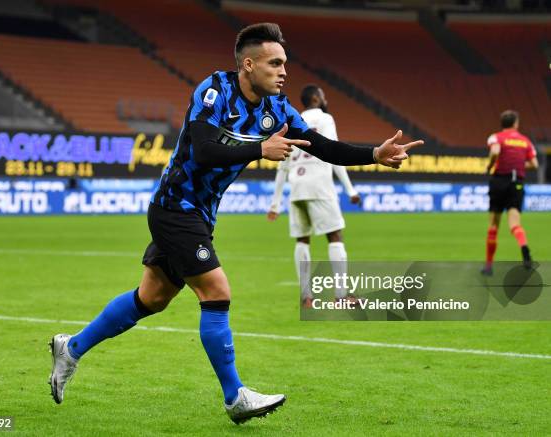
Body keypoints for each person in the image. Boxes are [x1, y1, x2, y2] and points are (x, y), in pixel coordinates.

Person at [48, 22, 423, 424]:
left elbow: (321, 145)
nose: (284, 72)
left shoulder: (277, 108)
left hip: (201, 214)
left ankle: (71, 349)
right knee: (216, 291)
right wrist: (260, 147)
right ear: (248, 64)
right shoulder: (215, 90)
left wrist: (373, 153)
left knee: (151, 299)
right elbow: (205, 148)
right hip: (176, 207)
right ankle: (235, 397)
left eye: (285, 64)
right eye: (274, 63)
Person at [267, 85, 360, 307]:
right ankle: (341, 296)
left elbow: (283, 166)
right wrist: (351, 190)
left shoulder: (291, 120)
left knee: (302, 239)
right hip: (319, 184)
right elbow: (334, 152)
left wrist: (275, 203)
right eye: (323, 96)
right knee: (335, 237)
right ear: (317, 98)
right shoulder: (326, 119)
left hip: (297, 186)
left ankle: (306, 297)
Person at [482, 110, 538, 276]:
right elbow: (534, 164)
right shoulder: (525, 141)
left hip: (499, 181)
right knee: (515, 224)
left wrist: (490, 166)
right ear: (516, 123)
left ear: (502, 123)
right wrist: (519, 166)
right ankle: (524, 247)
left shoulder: (496, 137)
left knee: (493, 226)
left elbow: (495, 152)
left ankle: (488, 266)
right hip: (517, 183)